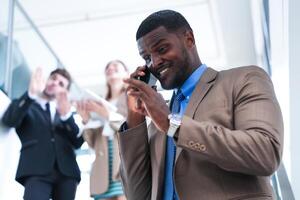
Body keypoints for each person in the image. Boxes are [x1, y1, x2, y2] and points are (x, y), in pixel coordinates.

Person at [117, 10, 284, 200]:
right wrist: (134, 119)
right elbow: (137, 195)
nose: (154, 63)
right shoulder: (159, 120)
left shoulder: (243, 79)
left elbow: (265, 154)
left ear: (189, 39)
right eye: (146, 58)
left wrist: (172, 124)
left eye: (162, 49)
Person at [1, 67, 84, 200]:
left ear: (65, 92)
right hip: (36, 169)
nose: (55, 83)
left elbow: (78, 142)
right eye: (53, 78)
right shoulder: (28, 105)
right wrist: (31, 95)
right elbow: (9, 120)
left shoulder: (66, 113)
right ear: (47, 80)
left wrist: (66, 116)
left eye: (61, 84)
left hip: (67, 172)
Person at [76, 60, 128, 200]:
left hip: (124, 163)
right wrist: (86, 119)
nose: (110, 68)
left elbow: (132, 129)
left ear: (126, 73)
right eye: (108, 68)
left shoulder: (132, 97)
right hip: (102, 168)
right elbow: (93, 143)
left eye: (115, 66)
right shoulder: (98, 101)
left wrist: (106, 114)